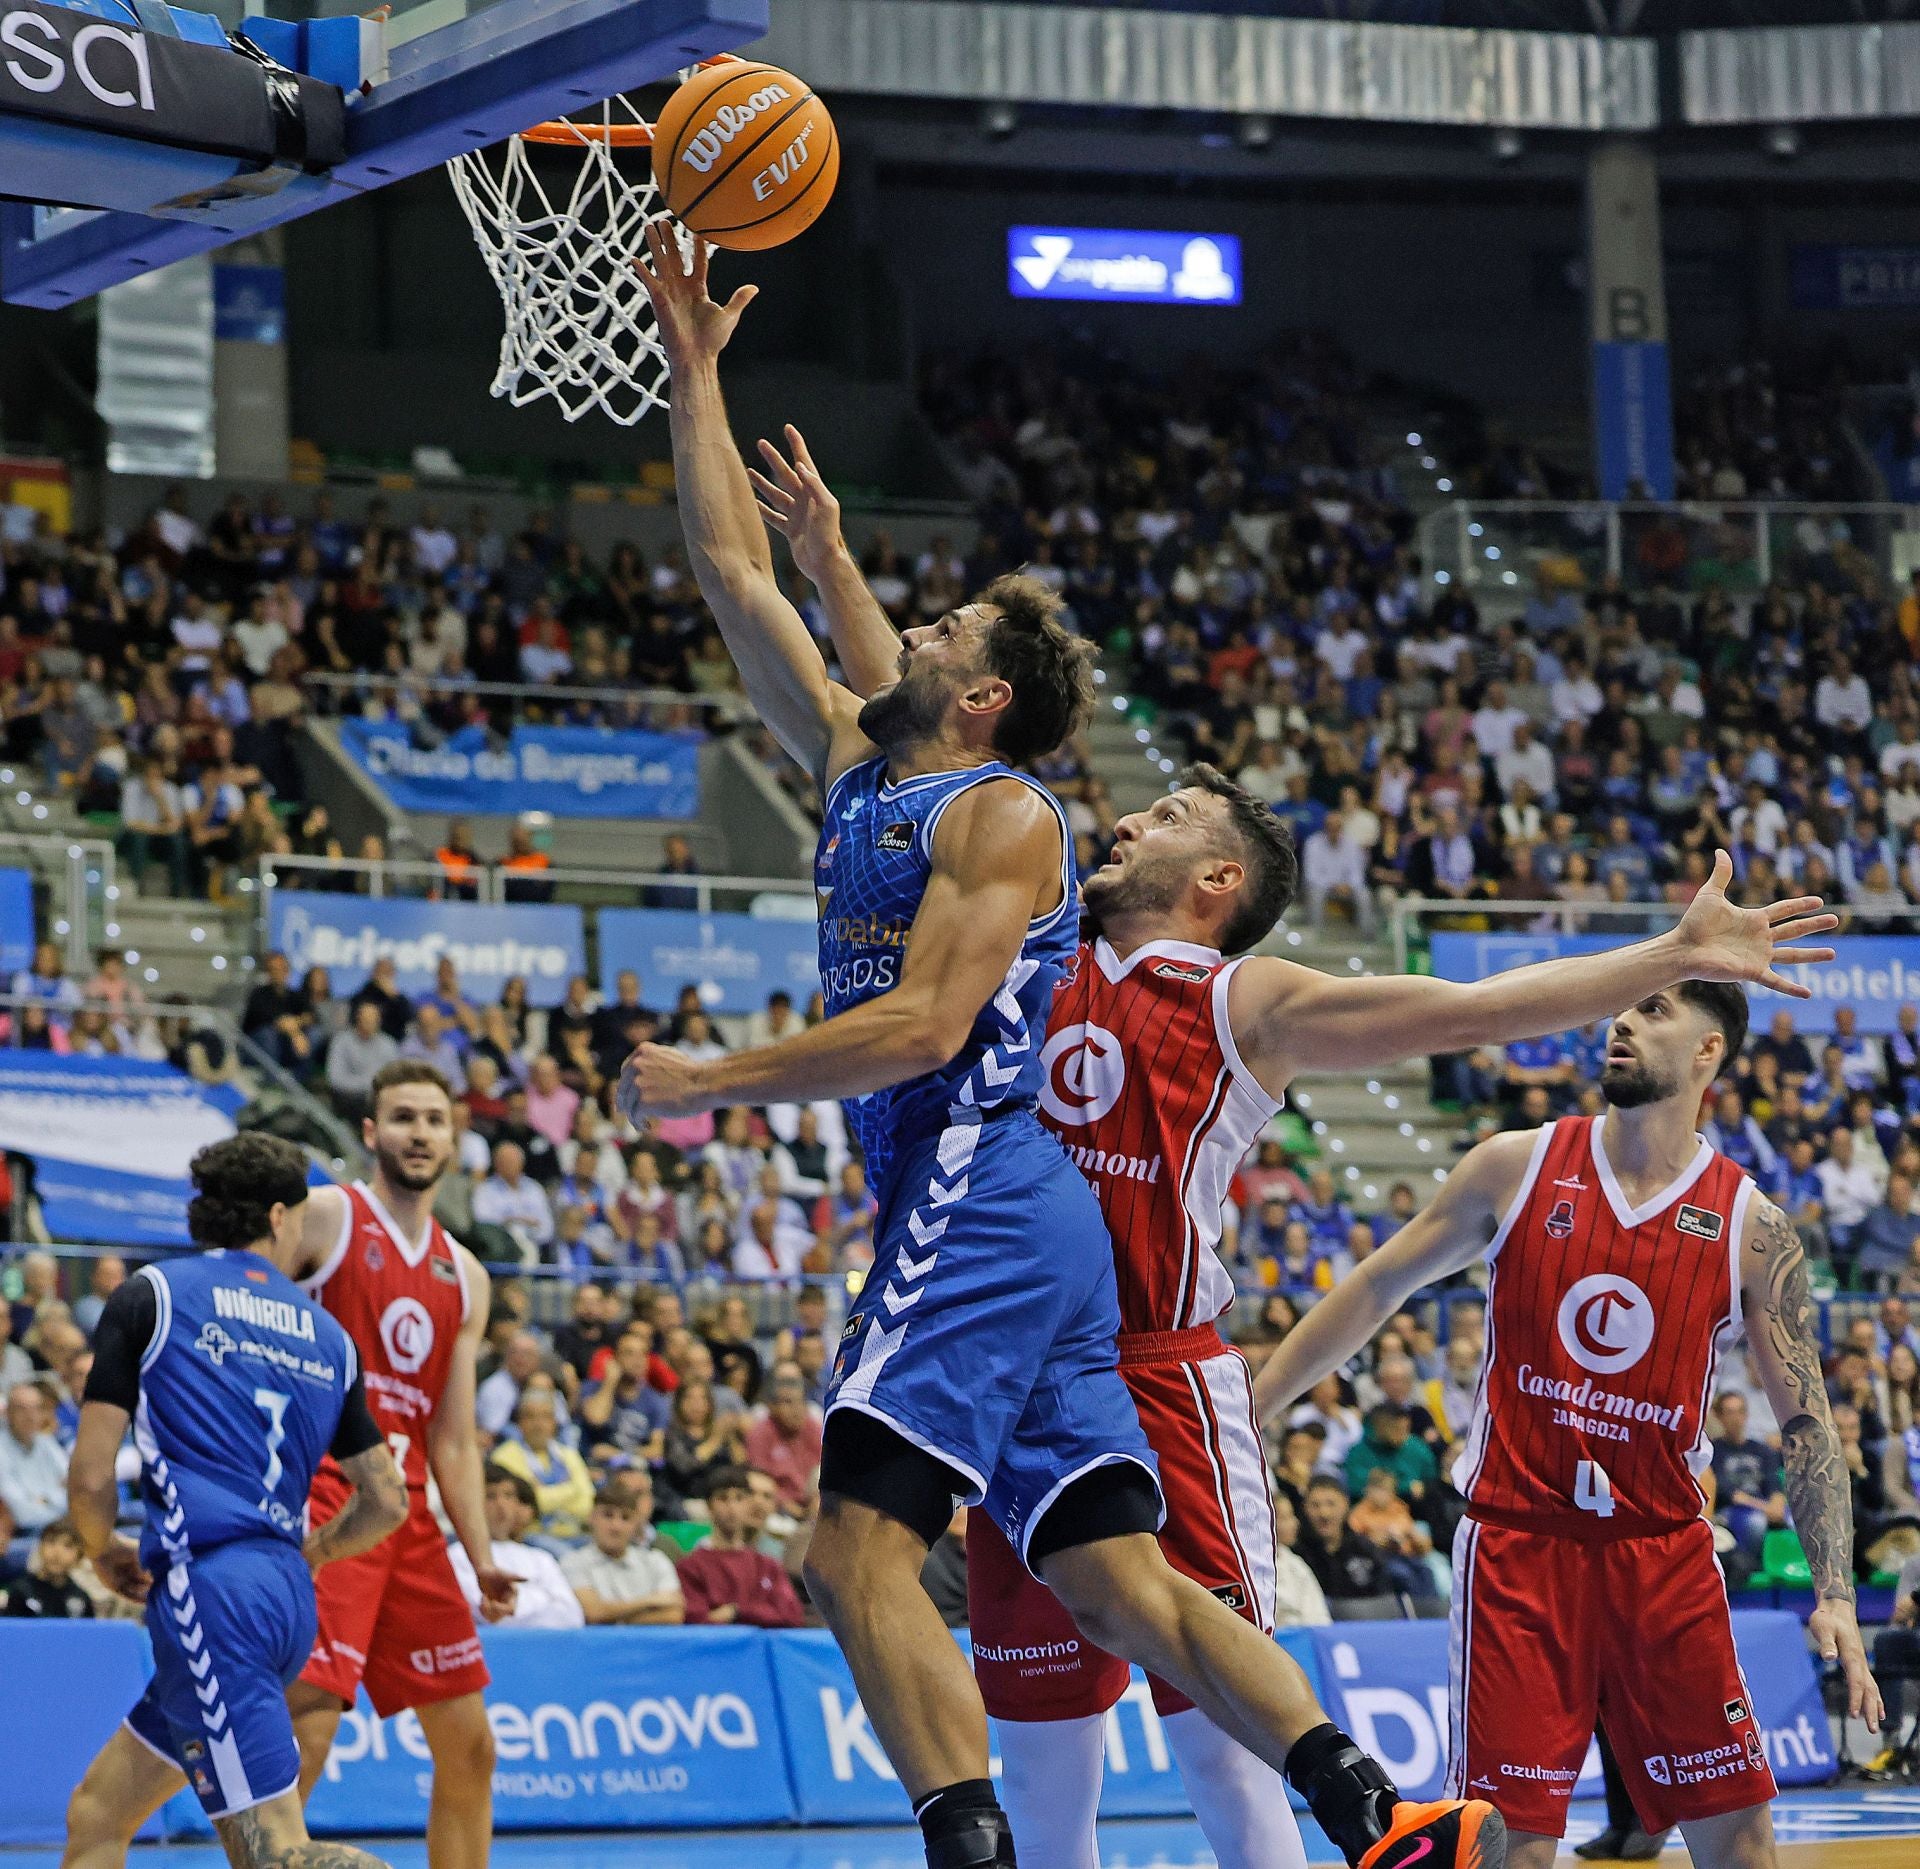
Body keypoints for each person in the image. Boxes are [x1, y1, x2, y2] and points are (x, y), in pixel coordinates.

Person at [761, 416, 1846, 1869]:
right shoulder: (1026, 914)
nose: (1126, 811)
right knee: (1045, 1762)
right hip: (1009, 1362)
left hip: (1153, 1369)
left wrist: (1657, 946)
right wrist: (830, 562)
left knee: (1223, 1757)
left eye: (1168, 813)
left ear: (1214, 879)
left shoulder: (1242, 999)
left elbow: (1472, 1009)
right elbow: (930, 716)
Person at [1256, 979, 1884, 1869]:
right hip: (1520, 1553)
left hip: (1663, 1558)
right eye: (1626, 1004)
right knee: (1510, 1849)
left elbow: (1809, 1424)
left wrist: (1836, 1593)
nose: (1623, 1018)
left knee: (1742, 1843)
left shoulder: (1753, 1226)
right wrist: (1247, 1412)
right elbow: (1375, 1286)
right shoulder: (1514, 1164)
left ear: (1711, 1051)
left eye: (1657, 1009)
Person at [60, 1134, 407, 1869]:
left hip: (211, 1591)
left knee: (274, 1853)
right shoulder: (329, 1335)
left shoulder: (151, 1295)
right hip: (285, 1593)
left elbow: (91, 1477)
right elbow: (385, 1499)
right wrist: (312, 1554)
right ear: (280, 1217)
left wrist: (102, 1549)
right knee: (99, 1809)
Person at [285, 1062, 517, 1869]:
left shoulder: (467, 1271)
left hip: (412, 1519)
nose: (420, 1131)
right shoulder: (324, 1217)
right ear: (371, 1132)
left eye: (435, 1119)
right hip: (331, 1498)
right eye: (404, 1117)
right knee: (305, 1727)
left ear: (454, 1138)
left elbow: (451, 1435)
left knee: (471, 1746)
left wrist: (480, 1554)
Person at [450, 1467, 584, 1631]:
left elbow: (572, 1616)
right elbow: (487, 1614)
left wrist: (517, 1606)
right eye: (490, 1496)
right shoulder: (457, 1556)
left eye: (508, 1496)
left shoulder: (540, 1558)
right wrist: (540, 1598)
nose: (501, 1505)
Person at [675, 1464, 806, 1627]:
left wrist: (736, 1612)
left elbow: (791, 1615)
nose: (732, 1507)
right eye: (723, 1498)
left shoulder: (768, 1566)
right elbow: (697, 1619)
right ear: (709, 1506)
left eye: (739, 1498)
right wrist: (760, 1614)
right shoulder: (690, 1567)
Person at [560, 1477, 683, 1625]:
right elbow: (592, 1613)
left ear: (636, 1524)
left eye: (625, 1518)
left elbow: (673, 1615)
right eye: (608, 1515)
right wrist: (650, 1601)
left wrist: (612, 1617)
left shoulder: (656, 1561)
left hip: (649, 1647)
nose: (616, 1526)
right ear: (591, 1517)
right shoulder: (573, 1562)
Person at [0, 1379, 67, 1532]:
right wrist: (59, 1497)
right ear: (8, 1413)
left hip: (60, 1526)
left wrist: (45, 1499)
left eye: (36, 1408)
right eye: (21, 1409)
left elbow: (75, 1490)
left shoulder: (47, 1442)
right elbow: (22, 1515)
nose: (30, 1416)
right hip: (25, 1534)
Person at [2, 1515, 92, 1618]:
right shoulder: (21, 1591)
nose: (57, 1552)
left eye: (68, 1545)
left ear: (79, 1557)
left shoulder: (81, 1597)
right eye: (51, 1541)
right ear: (40, 1548)